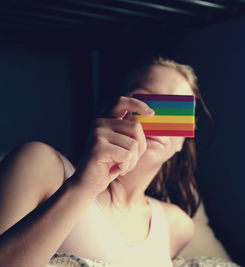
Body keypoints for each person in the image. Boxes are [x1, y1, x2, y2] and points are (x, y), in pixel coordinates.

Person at [0, 58, 211, 267]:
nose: (155, 117)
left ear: (183, 139)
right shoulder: (40, 164)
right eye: (145, 102)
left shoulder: (176, 225)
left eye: (176, 112)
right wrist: (84, 186)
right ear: (112, 110)